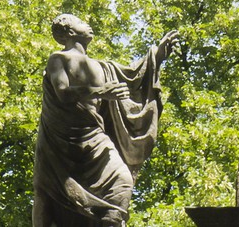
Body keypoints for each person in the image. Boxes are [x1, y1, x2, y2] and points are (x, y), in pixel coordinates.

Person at [34, 14, 181, 227]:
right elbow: (63, 92)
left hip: (94, 137)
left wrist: (158, 54)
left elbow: (132, 77)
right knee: (48, 194)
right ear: (69, 32)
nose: (88, 23)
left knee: (123, 180)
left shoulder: (102, 67)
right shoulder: (58, 59)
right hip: (61, 142)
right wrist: (101, 91)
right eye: (81, 22)